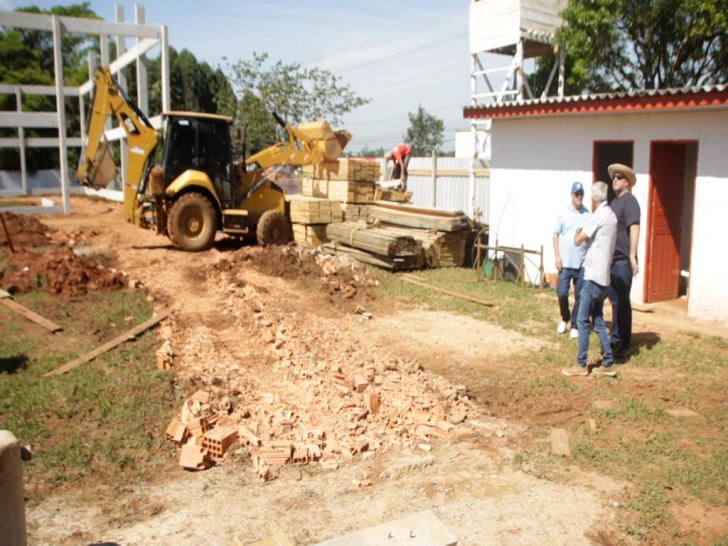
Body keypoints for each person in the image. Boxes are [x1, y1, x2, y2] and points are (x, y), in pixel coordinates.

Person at [562, 181, 617, 377]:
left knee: (582, 319)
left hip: (592, 276)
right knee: (599, 320)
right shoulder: (611, 216)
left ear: (593, 199)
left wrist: (579, 234)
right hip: (605, 279)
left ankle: (581, 363)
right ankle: (608, 362)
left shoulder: (598, 216)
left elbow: (578, 240)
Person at [607, 163, 640, 359]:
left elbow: (634, 228)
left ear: (627, 182)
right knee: (615, 302)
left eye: (619, 177)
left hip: (622, 261)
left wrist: (632, 256)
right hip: (612, 261)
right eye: (614, 177)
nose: (615, 179)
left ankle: (623, 344)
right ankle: (616, 338)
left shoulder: (630, 201)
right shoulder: (614, 203)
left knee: (622, 303)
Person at [553, 182, 590, 338]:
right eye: (577, 194)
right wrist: (557, 256)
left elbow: (591, 237)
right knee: (562, 292)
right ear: (571, 195)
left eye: (581, 193)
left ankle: (574, 324)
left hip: (581, 263)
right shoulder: (563, 213)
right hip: (565, 262)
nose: (579, 196)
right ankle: (565, 317)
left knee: (580, 296)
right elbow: (556, 235)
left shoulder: (588, 215)